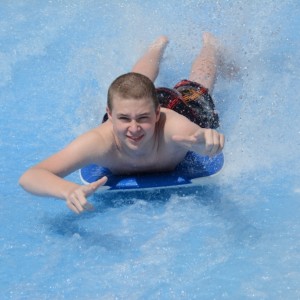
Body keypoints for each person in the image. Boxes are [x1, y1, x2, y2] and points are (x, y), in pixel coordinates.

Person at [19, 32, 225, 214]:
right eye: (124, 119)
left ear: (156, 114)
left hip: (176, 105)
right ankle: (157, 46)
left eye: (143, 119)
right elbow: (31, 176)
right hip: (137, 104)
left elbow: (200, 139)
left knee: (198, 85)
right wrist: (68, 190)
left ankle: (210, 46)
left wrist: (207, 142)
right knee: (134, 82)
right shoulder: (100, 141)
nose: (134, 129)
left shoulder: (173, 129)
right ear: (109, 114)